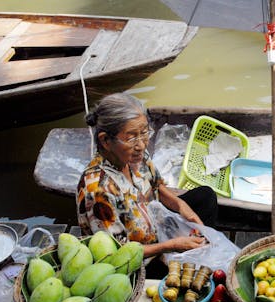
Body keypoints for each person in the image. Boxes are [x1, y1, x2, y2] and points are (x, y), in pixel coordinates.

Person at [76, 92, 218, 277]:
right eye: (131, 137)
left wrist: (183, 208)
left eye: (144, 132)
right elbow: (118, 253)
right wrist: (171, 246)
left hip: (155, 224)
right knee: (170, 275)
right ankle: (176, 260)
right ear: (105, 140)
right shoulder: (98, 190)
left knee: (205, 197)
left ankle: (189, 248)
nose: (142, 144)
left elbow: (157, 187)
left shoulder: (134, 155)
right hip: (139, 259)